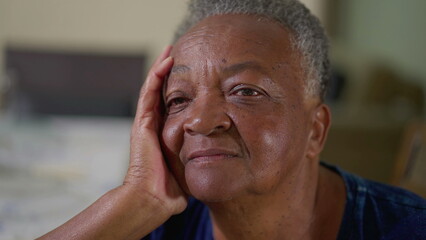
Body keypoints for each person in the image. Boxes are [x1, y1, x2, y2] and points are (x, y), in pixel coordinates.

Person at [38, 0, 426, 239]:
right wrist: (138, 199)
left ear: (316, 130)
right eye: (179, 98)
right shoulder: (148, 224)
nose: (200, 121)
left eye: (246, 91)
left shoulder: (407, 229)